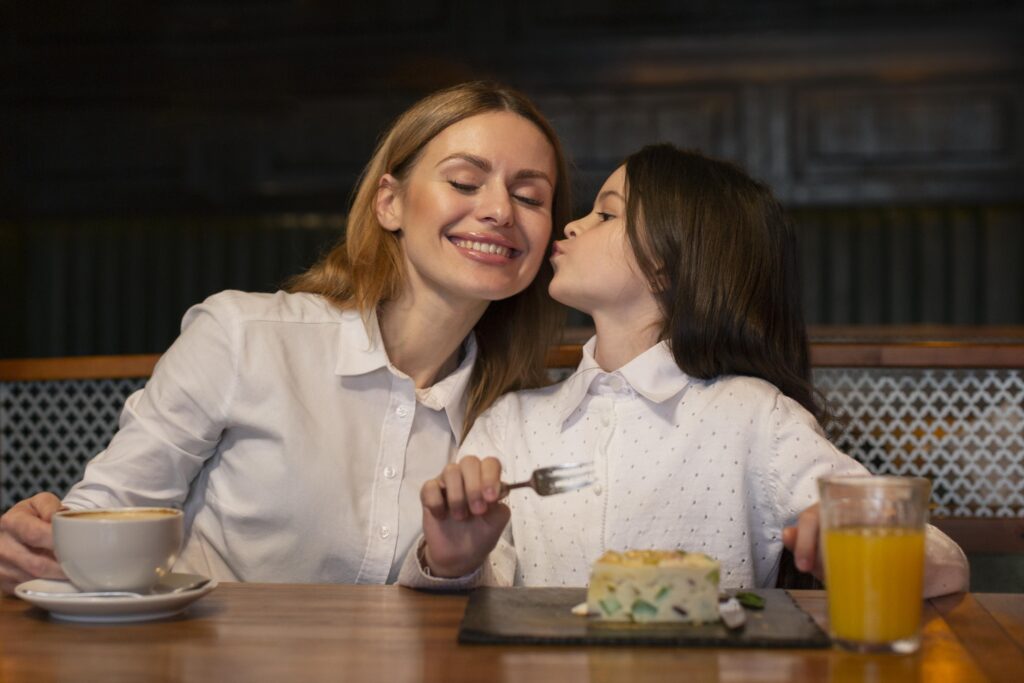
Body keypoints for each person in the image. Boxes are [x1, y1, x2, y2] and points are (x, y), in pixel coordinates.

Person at [0, 81, 573, 594]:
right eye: (465, 181)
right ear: (389, 202)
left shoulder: (518, 419)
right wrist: (37, 547)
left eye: (529, 197)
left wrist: (450, 565)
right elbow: (106, 518)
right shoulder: (242, 337)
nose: (500, 210)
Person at [399, 144, 969, 596]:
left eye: (606, 213)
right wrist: (452, 560)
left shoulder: (755, 416)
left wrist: (857, 538)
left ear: (670, 262)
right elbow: (476, 596)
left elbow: (943, 564)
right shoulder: (511, 423)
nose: (570, 226)